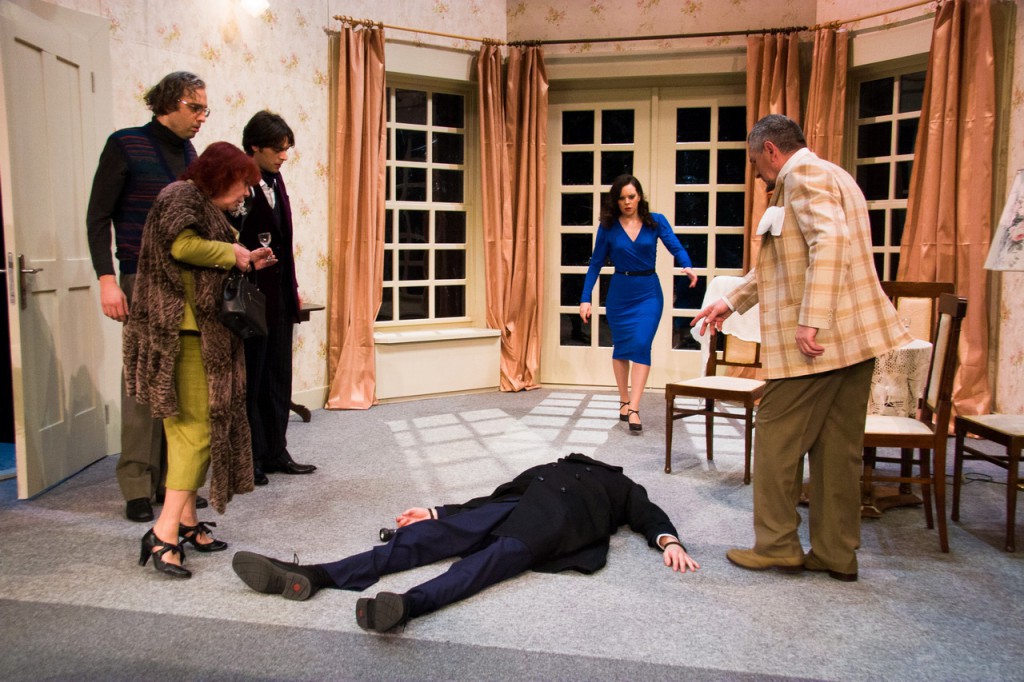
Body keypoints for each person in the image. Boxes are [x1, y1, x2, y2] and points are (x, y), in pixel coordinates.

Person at [692, 114, 912, 582]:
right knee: (837, 452)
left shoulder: (803, 176)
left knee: (775, 439)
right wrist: (730, 302)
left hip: (818, 346)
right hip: (852, 341)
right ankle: (836, 552)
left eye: (755, 163)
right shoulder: (836, 175)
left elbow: (829, 246)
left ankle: (777, 544)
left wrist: (812, 319)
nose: (757, 175)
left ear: (771, 151)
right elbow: (781, 264)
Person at [231, 453, 699, 632]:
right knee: (422, 538)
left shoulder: (621, 485)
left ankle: (406, 606)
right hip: (511, 507)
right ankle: (317, 574)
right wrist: (436, 511)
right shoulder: (550, 467)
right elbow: (493, 496)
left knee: (481, 567)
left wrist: (668, 541)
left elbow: (648, 514)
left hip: (553, 527)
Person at [124, 142, 275, 579]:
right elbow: (181, 246)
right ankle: (163, 532)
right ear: (220, 176)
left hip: (202, 330)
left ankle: (187, 521)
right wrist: (232, 253)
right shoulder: (180, 195)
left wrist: (243, 258)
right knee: (195, 431)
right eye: (241, 184)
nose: (244, 194)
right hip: (182, 331)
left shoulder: (200, 202)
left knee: (194, 430)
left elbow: (203, 255)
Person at [86, 71, 211, 523]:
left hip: (186, 280)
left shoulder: (190, 154)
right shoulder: (125, 144)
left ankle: (171, 483)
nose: (202, 117)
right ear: (168, 103)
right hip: (141, 278)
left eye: (205, 110)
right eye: (195, 107)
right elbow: (98, 217)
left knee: (179, 382)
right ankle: (137, 483)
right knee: (143, 380)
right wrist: (107, 278)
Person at [230, 111, 315, 486]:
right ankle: (250, 456)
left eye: (286, 149)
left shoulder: (277, 181)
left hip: (279, 297)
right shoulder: (235, 182)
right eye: (278, 149)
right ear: (255, 147)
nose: (284, 156)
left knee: (279, 376)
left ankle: (277, 451)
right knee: (253, 379)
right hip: (250, 298)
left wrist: (293, 288)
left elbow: (284, 242)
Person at [579, 175, 697, 432]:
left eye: (631, 196)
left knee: (642, 344)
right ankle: (623, 400)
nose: (627, 202)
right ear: (616, 201)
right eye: (622, 198)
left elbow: (675, 246)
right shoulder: (608, 227)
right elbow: (596, 263)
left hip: (648, 293)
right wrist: (585, 298)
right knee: (621, 348)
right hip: (620, 293)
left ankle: (634, 407)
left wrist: (687, 265)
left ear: (639, 196)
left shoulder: (655, 221)